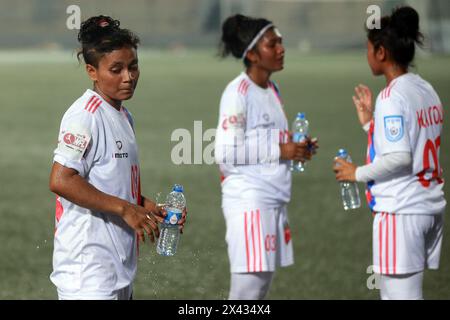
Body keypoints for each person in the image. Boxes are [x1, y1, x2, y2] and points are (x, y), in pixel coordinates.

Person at [49, 15, 185, 300]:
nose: (129, 76)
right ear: (92, 71)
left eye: (133, 66)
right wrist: (125, 209)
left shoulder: (123, 115)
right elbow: (61, 180)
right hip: (87, 274)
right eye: (116, 69)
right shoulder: (85, 116)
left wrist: (148, 208)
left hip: (117, 269)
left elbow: (113, 183)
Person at [333, 6, 445, 300]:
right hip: (427, 206)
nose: (367, 54)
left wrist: (354, 172)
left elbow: (399, 158)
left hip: (401, 211)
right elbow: (414, 143)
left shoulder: (392, 96)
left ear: (381, 52)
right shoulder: (426, 89)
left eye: (369, 48)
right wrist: (371, 124)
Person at [215, 14, 318, 300]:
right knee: (246, 294)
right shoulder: (238, 92)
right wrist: (282, 150)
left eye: (281, 42)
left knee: (260, 290)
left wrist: (297, 148)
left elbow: (266, 142)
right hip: (250, 202)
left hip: (273, 201)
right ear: (251, 54)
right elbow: (225, 153)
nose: (281, 49)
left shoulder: (271, 89)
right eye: (273, 44)